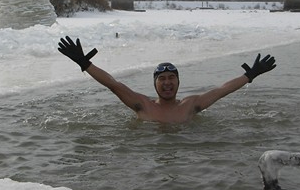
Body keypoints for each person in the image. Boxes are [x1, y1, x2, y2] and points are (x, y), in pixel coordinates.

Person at [58, 36, 277, 124]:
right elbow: (112, 84)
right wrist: (85, 64)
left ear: (178, 83)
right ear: (155, 84)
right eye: (161, 79)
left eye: (172, 78)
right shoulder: (142, 105)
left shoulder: (191, 105)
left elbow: (222, 90)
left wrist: (250, 75)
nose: (167, 82)